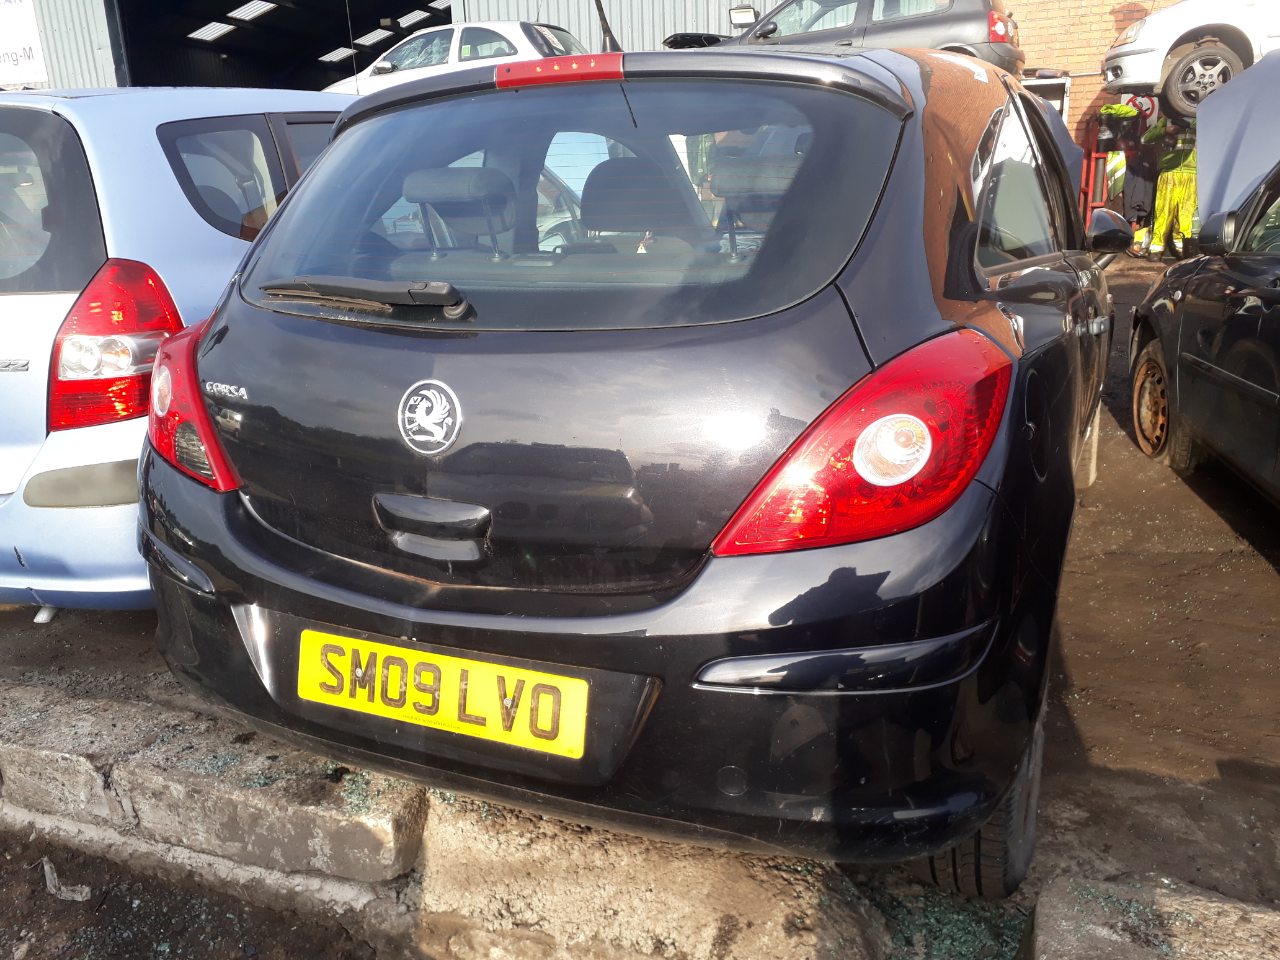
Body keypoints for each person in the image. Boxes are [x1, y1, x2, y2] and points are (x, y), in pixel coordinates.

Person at [1143, 115, 1197, 260]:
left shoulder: (1201, 118)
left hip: (1191, 174)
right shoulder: (1167, 120)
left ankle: (1182, 248)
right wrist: (1165, 130)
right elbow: (1145, 139)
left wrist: (1188, 124)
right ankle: (1156, 249)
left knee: (1186, 214)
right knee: (1163, 211)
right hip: (1169, 174)